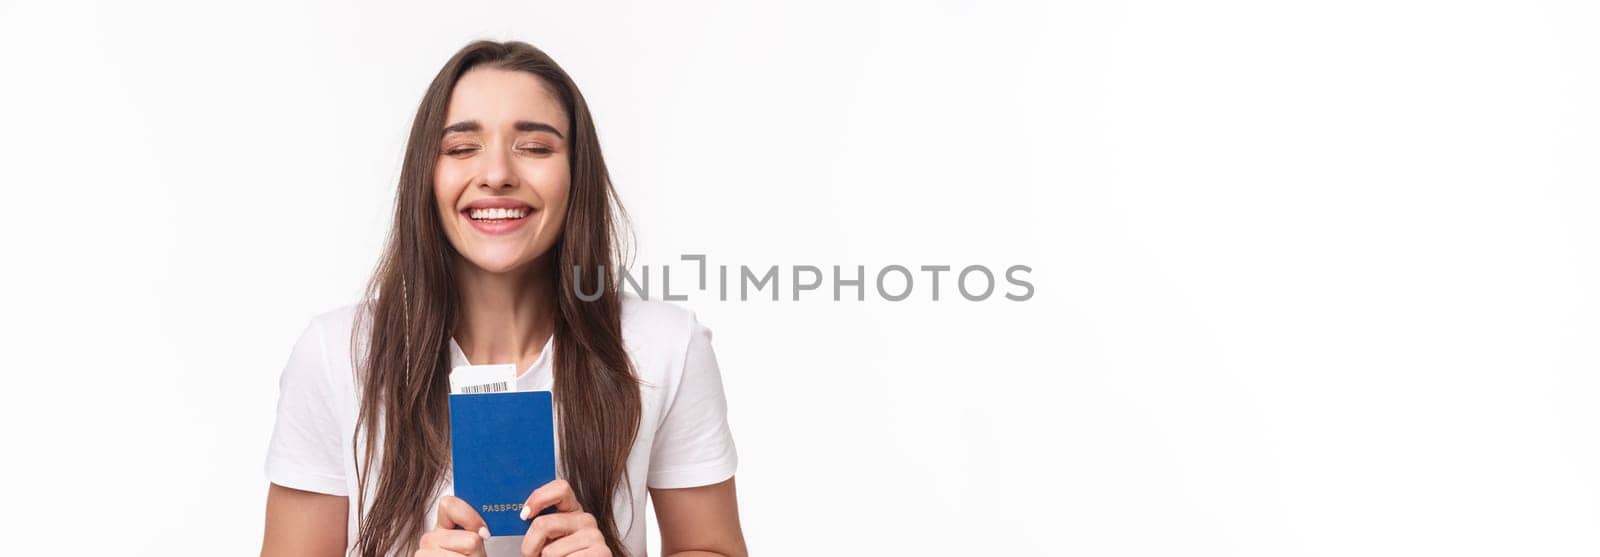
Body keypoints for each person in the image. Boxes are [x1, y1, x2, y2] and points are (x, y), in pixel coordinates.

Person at [259, 40, 746, 557]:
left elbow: (713, 547)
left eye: (535, 148)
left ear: (577, 174)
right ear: (425, 174)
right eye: (462, 148)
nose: (496, 175)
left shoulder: (665, 347)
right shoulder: (336, 355)